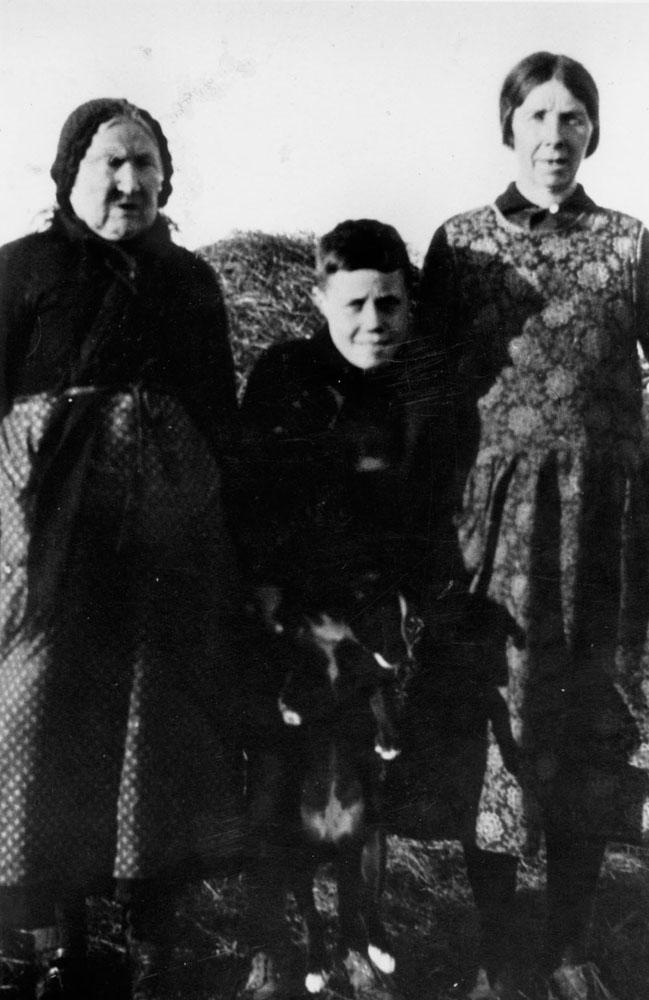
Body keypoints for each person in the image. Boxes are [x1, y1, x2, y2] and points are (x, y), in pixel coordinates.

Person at [0, 98, 245, 1000]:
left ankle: (153, 947)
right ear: (70, 171)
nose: (129, 182)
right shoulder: (22, 269)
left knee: (155, 718)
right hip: (46, 530)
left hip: (166, 532)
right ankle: (58, 946)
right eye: (111, 162)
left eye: (146, 164)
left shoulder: (189, 281)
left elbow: (218, 409)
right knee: (45, 712)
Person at [418, 51, 649, 1000]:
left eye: (572, 118)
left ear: (593, 130)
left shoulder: (629, 243)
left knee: (591, 722)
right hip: (498, 532)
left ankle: (567, 949)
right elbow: (425, 387)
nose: (555, 136)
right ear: (508, 126)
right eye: (538, 117)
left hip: (604, 531)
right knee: (497, 730)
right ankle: (493, 955)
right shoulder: (462, 244)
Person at [237, 219, 449, 998]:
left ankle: (363, 933)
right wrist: (265, 591)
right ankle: (271, 943)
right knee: (276, 784)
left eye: (388, 304)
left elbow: (426, 505)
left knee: (365, 783)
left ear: (407, 303)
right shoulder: (284, 372)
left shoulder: (416, 389)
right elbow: (247, 489)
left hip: (369, 614)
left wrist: (402, 599)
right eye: (354, 303)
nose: (372, 322)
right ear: (320, 295)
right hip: (287, 611)